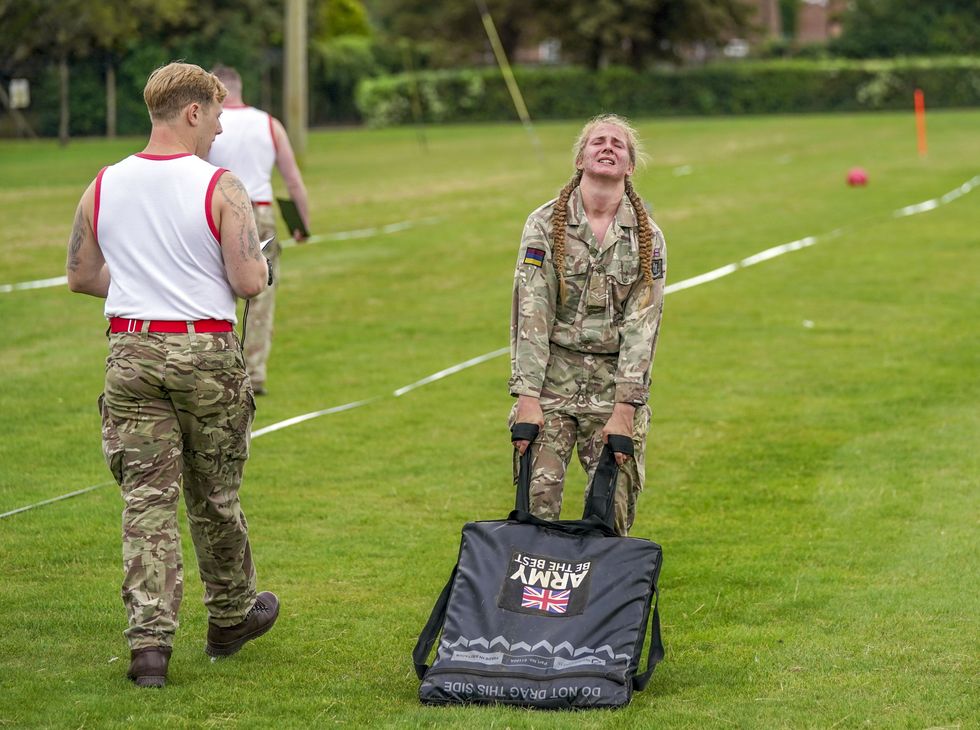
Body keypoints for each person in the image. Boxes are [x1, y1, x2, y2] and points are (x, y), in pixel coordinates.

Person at [66, 61, 279, 688]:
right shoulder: (221, 185)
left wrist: (142, 285)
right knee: (214, 494)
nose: (219, 129)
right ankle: (230, 615)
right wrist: (263, 269)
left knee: (146, 501)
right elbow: (248, 280)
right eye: (215, 116)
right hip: (204, 352)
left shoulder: (103, 183)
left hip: (131, 351)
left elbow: (81, 275)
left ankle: (149, 647)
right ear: (192, 112)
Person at [509, 114, 667, 537]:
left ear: (630, 166)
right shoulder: (544, 224)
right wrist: (527, 398)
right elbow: (532, 313)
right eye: (598, 141)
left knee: (613, 510)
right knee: (537, 507)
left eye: (618, 143)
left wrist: (625, 409)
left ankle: (600, 584)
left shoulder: (647, 237)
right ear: (581, 158)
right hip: (552, 382)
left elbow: (643, 326)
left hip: (612, 386)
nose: (608, 147)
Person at [207, 64, 311, 396]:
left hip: (217, 209)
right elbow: (293, 180)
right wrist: (301, 224)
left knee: (214, 285)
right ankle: (254, 371)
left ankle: (217, 366)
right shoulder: (269, 124)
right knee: (261, 292)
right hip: (260, 212)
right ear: (240, 88)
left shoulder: (209, 124)